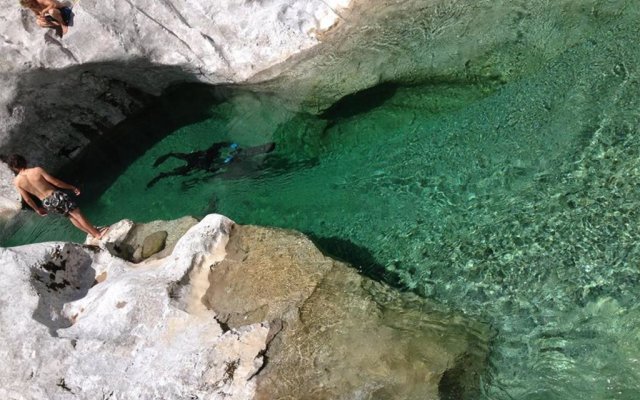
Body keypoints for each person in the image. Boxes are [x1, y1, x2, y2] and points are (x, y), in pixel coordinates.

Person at [6, 154, 108, 239]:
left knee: (70, 216)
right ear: (24, 160)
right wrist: (71, 187)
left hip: (46, 202)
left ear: (14, 167)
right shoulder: (36, 170)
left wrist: (37, 209)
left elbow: (27, 199)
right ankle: (97, 234)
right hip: (55, 196)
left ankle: (91, 232)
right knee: (77, 214)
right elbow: (55, 182)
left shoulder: (17, 182)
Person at [147, 141, 275, 188]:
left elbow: (219, 145)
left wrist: (231, 145)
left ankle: (159, 175)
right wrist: (232, 147)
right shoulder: (193, 163)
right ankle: (159, 176)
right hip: (211, 166)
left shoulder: (202, 156)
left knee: (176, 166)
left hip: (209, 164)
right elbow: (218, 146)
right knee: (182, 171)